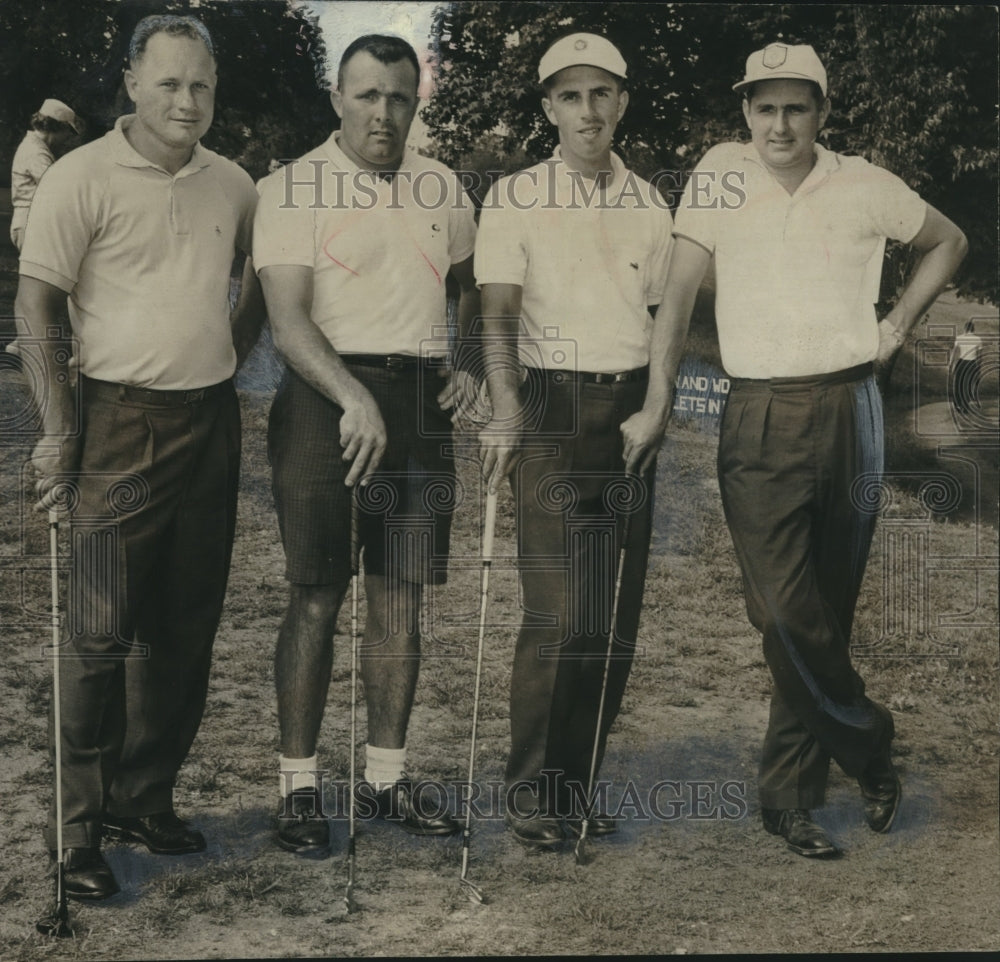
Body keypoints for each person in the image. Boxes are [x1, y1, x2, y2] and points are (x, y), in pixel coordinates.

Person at [625, 43, 968, 857]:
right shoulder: (717, 174)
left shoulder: (864, 181)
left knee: (827, 604)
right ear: (745, 112)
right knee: (782, 609)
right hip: (759, 411)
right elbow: (676, 294)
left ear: (822, 110)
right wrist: (658, 395)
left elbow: (948, 242)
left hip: (853, 407)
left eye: (797, 107)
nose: (780, 123)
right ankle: (871, 746)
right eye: (764, 107)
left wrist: (891, 331)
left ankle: (789, 797)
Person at [15, 14, 263, 899]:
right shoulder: (77, 178)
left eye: (200, 84)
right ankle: (77, 832)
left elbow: (259, 286)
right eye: (168, 83)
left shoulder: (235, 185)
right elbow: (36, 309)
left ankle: (142, 798)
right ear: (129, 82)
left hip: (211, 422)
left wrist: (221, 353)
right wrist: (57, 427)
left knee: (184, 626)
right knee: (97, 631)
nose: (186, 100)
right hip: (116, 419)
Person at [252, 34, 480, 856]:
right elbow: (286, 322)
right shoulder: (289, 188)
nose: (384, 113)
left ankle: (384, 782)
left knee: (399, 593)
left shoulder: (443, 184)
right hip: (325, 396)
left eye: (400, 97)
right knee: (318, 591)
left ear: (417, 102)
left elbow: (471, 287)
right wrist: (353, 397)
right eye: (367, 95)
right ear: (337, 97)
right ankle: (299, 790)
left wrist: (468, 364)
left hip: (419, 403)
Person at [476, 33, 673, 850]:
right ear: (548, 107)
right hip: (551, 407)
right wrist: (506, 408)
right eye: (569, 96)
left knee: (607, 617)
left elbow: (665, 324)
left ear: (621, 101)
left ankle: (574, 785)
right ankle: (528, 793)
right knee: (557, 614)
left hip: (629, 413)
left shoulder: (655, 205)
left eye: (601, 94)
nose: (587, 111)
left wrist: (657, 405)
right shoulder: (515, 195)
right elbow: (495, 316)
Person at [9, 99, 82, 252]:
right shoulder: (35, 152)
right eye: (67, 133)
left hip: (33, 221)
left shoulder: (37, 148)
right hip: (30, 223)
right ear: (56, 127)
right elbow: (55, 189)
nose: (67, 139)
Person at [951, 320, 982, 417]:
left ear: (965, 328)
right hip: (972, 363)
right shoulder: (978, 339)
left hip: (961, 362)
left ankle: (958, 404)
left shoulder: (959, 338)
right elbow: (980, 356)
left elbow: (954, 352)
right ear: (973, 329)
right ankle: (965, 405)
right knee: (967, 384)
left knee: (958, 383)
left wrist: (951, 364)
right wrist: (979, 367)